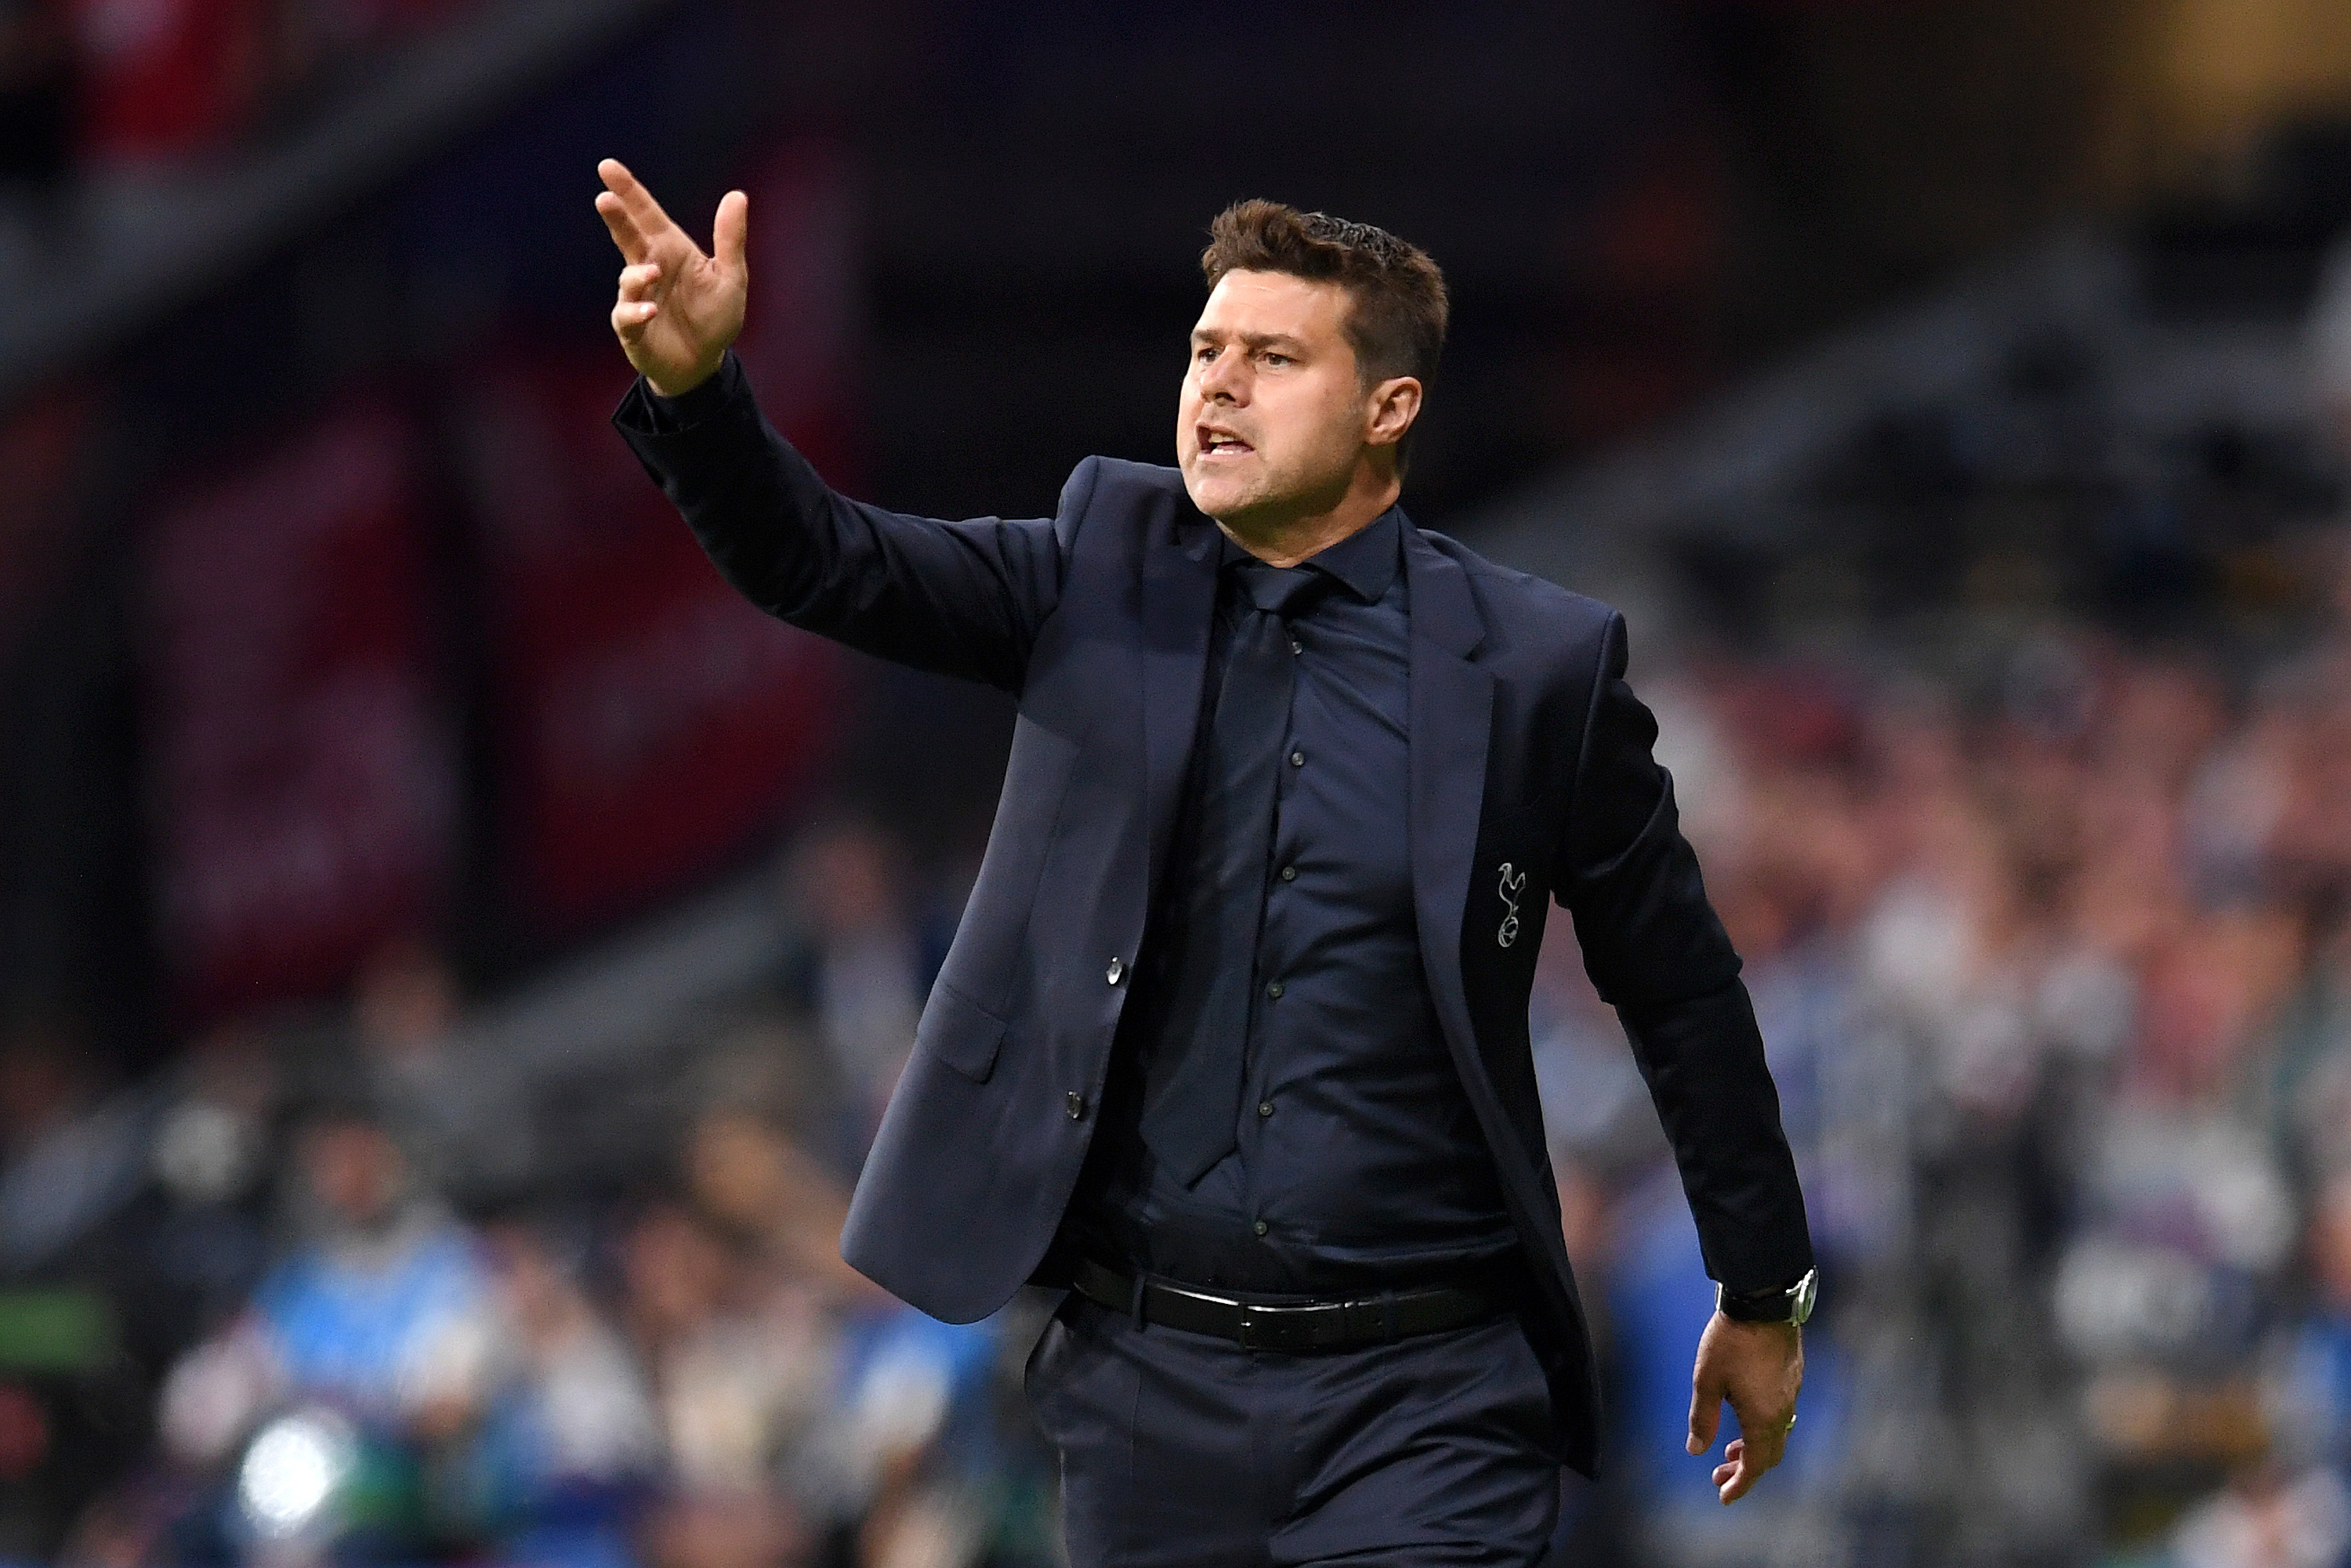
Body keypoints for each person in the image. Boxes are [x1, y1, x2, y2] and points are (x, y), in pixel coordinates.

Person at [595, 161, 1814, 1566]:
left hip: (1426, 1398)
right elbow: (827, 562)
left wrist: (1762, 1281)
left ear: (1387, 408)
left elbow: (1682, 989)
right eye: (1204, 351)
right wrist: (700, 396)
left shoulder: (1536, 670)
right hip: (1144, 1388)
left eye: (1272, 357)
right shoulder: (1100, 568)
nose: (1216, 385)